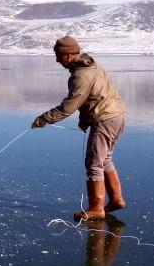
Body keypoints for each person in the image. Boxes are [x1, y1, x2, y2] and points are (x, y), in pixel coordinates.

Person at [31, 36, 127, 221]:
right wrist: (85, 118)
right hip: (118, 116)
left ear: (68, 55)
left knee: (93, 164)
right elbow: (92, 96)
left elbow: (69, 106)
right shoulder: (91, 65)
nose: (57, 60)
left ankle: (96, 208)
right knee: (105, 159)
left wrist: (44, 119)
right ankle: (116, 200)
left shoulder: (80, 75)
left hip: (105, 120)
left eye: (58, 56)